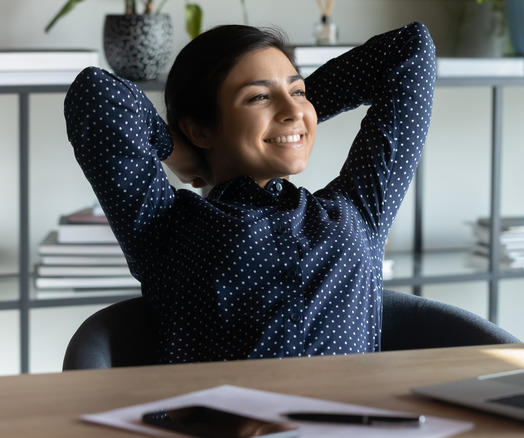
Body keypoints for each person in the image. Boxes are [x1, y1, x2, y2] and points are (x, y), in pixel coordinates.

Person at [64, 22, 436, 364]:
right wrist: (177, 149)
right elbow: (96, 94)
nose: (292, 108)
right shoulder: (164, 227)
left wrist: (296, 115)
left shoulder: (359, 207)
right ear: (199, 130)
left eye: (298, 90)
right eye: (257, 97)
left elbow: (411, 48)